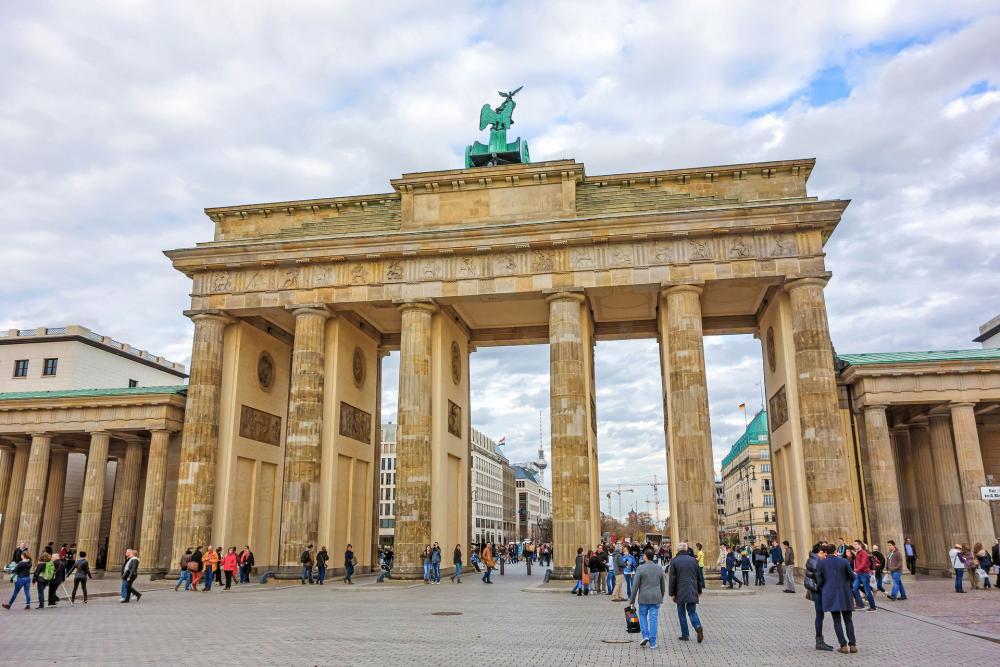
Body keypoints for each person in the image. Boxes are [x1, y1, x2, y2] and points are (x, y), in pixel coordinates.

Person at [817, 544, 858, 654]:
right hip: (845, 594)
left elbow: (819, 580)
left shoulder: (822, 563)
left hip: (831, 594)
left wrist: (823, 588)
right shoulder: (844, 561)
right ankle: (853, 645)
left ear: (826, 552)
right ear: (835, 551)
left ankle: (843, 645)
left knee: (837, 621)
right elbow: (852, 576)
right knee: (848, 620)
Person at [667, 542, 704, 644]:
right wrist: (699, 590)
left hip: (680, 591)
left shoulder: (674, 561)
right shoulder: (693, 560)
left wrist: (672, 593)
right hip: (692, 589)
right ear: (687, 549)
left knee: (681, 613)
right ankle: (697, 626)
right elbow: (699, 577)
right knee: (692, 611)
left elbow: (672, 579)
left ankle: (685, 635)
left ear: (678, 550)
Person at [804, 543, 833, 651]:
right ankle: (819, 641)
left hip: (815, 589)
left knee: (820, 615)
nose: (824, 555)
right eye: (822, 553)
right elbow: (819, 578)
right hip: (817, 590)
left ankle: (819, 640)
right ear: (818, 553)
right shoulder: (816, 562)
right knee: (819, 615)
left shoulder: (813, 559)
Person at [851, 540, 876, 611]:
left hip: (864, 573)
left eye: (855, 544)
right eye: (854, 544)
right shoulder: (858, 553)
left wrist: (857, 569)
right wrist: (856, 569)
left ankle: (873, 607)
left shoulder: (863, 553)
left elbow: (864, 563)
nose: (854, 545)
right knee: (854, 587)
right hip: (859, 574)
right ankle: (860, 605)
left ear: (859, 545)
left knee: (867, 590)